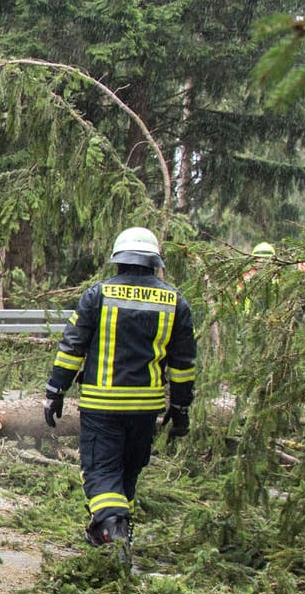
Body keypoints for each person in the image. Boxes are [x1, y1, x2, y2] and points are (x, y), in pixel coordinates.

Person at [41, 226, 196, 546]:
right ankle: (106, 532)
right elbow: (183, 364)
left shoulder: (97, 295)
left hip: (103, 405)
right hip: (145, 409)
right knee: (127, 473)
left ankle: (114, 533)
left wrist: (56, 392)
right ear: (154, 262)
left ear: (119, 260)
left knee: (100, 472)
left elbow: (72, 348)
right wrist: (180, 409)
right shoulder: (176, 302)